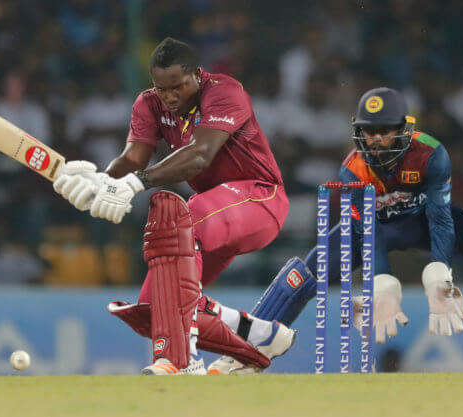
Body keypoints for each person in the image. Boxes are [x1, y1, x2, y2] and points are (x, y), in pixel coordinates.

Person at [210, 87, 463, 374]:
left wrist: (440, 273)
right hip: (375, 231)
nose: (374, 139)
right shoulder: (352, 170)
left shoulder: (431, 153)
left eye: (384, 130)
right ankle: (244, 353)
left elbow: (441, 218)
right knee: (304, 271)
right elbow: (366, 232)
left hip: (425, 224)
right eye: (368, 131)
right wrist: (383, 283)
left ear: (404, 128)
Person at [52, 38, 295, 375]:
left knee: (179, 219)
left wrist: (135, 183)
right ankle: (260, 337)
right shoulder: (149, 104)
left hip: (260, 200)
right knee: (155, 310)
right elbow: (135, 157)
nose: (169, 97)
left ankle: (184, 360)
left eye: (177, 86)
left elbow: (200, 154)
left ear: (197, 75)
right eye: (161, 88)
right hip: (210, 215)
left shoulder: (224, 91)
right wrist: (102, 181)